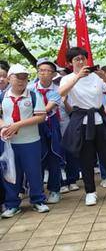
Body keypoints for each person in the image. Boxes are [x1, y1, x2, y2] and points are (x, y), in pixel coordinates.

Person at [58, 47, 106, 205]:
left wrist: (104, 78)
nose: (80, 61)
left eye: (83, 58)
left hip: (99, 120)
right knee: (86, 159)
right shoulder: (68, 78)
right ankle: (90, 191)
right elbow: (61, 92)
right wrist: (78, 76)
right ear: (71, 62)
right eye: (76, 59)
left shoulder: (96, 77)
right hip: (82, 121)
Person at [0, 64, 49, 217]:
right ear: (9, 78)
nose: (21, 81)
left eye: (24, 78)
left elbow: (41, 117)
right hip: (9, 143)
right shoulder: (2, 97)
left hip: (30, 142)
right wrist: (3, 128)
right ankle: (12, 204)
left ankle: (38, 200)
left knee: (34, 171)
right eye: (17, 77)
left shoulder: (34, 95)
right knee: (10, 173)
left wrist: (17, 125)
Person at [31, 59, 65, 204]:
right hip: (33, 127)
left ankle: (55, 189)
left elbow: (46, 109)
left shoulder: (56, 90)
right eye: (41, 71)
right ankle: (37, 191)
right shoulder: (30, 89)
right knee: (36, 158)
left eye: (47, 71)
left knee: (54, 156)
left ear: (53, 74)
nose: (44, 74)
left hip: (51, 125)